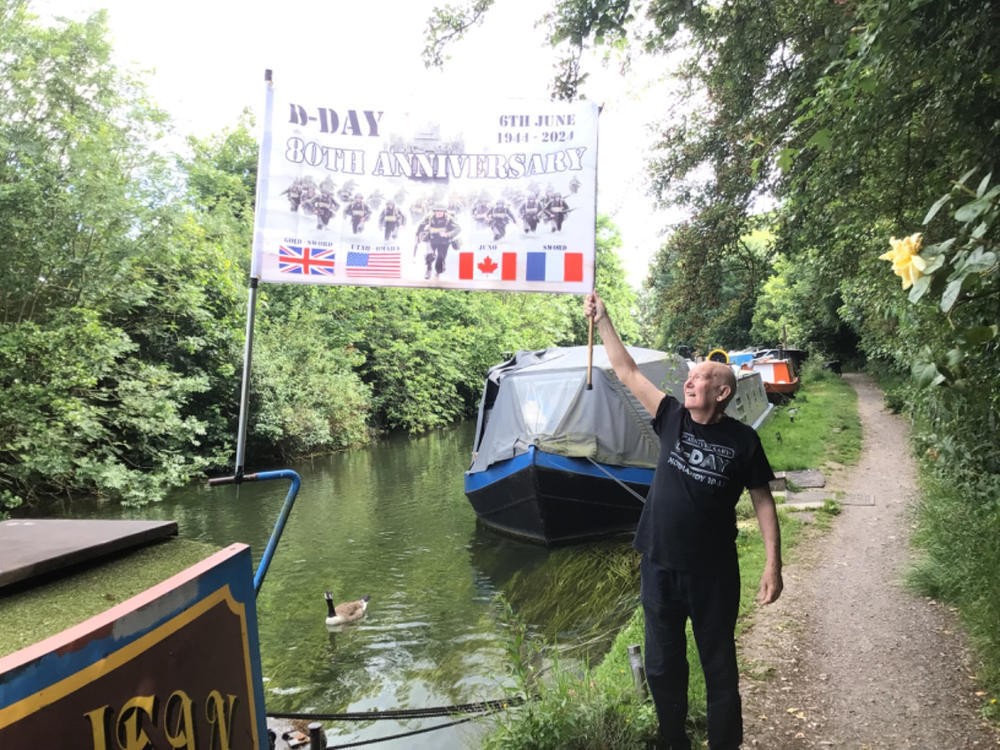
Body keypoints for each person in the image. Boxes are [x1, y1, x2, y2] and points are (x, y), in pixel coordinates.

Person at [584, 291, 783, 750]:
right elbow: (627, 370)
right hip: (657, 563)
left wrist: (774, 565)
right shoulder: (671, 417)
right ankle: (672, 740)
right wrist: (605, 319)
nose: (690, 382)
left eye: (701, 378)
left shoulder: (744, 441)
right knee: (661, 664)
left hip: (713, 574)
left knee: (719, 666)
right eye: (690, 377)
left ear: (723, 391)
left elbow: (763, 503)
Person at [416, 206, 461, 280]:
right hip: (432, 239)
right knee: (430, 255)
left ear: (444, 212)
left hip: (444, 242)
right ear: (435, 211)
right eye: (437, 211)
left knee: (441, 257)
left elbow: (458, 228)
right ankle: (428, 269)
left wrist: (448, 234)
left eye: (441, 211)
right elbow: (421, 225)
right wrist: (417, 235)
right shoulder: (430, 217)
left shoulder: (449, 219)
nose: (439, 213)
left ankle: (437, 273)